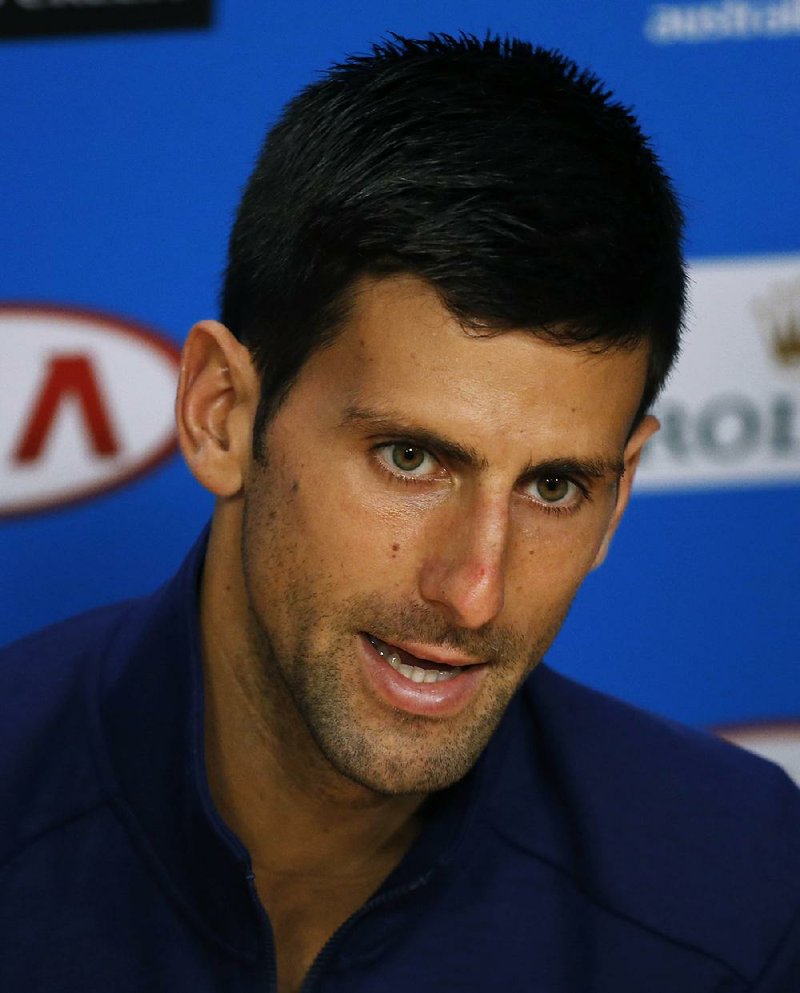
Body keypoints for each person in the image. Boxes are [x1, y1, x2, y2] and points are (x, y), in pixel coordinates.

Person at [1, 33, 799, 993]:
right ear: (222, 414)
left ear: (622, 488)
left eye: (553, 487)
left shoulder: (734, 885)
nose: (473, 592)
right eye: (411, 457)